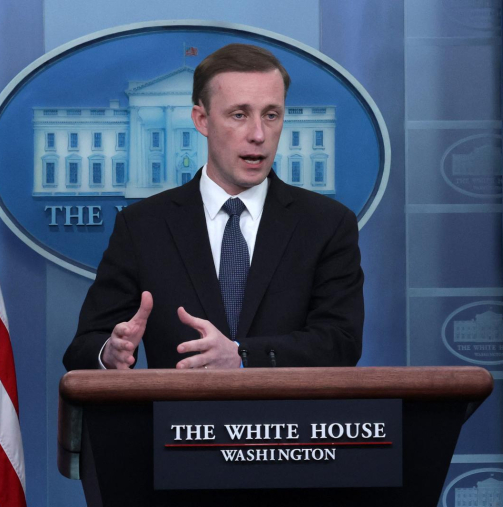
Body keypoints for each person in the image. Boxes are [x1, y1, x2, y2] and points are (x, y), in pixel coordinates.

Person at [63, 43, 363, 370]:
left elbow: (340, 343)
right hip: (176, 419)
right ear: (202, 120)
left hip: (287, 420)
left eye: (271, 115)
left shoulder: (327, 225)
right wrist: (111, 352)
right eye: (239, 114)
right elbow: (83, 348)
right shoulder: (142, 226)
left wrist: (241, 356)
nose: (259, 134)